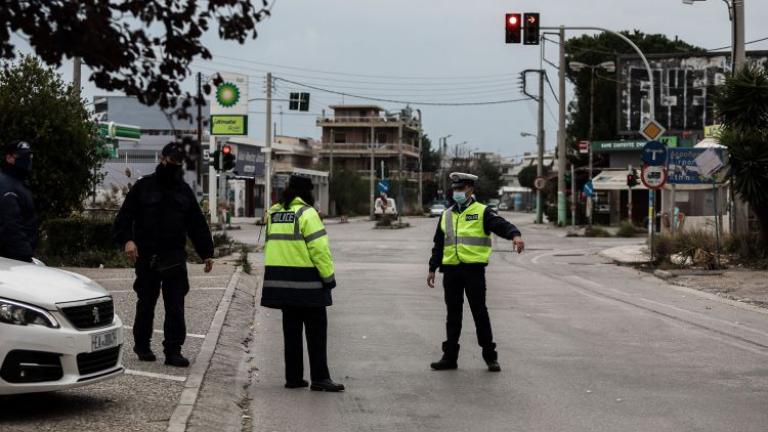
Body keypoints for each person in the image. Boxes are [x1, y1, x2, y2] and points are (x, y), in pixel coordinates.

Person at [114, 142, 214, 367]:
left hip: (174, 256)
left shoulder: (184, 191)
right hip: (147, 255)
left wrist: (206, 253)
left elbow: (197, 224)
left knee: (175, 305)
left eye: (179, 163)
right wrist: (128, 241)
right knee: (146, 303)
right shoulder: (144, 186)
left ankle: (173, 350)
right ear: (162, 158)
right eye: (172, 161)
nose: (175, 166)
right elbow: (124, 217)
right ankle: (142, 345)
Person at [427, 172, 525, 372]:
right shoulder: (446, 215)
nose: (457, 192)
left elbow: (500, 225)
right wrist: (432, 268)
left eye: (461, 189)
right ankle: (450, 357)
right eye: (455, 189)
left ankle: (490, 357)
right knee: (453, 315)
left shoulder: (482, 211)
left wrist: (514, 235)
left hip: (474, 271)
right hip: (451, 271)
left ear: (470, 189)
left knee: (480, 314)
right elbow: (439, 243)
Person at [261, 175, 344, 392]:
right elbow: (319, 250)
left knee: (292, 332)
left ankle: (293, 377)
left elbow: (272, 246)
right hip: (308, 284)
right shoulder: (307, 213)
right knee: (316, 333)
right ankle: (320, 378)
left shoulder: (275, 212)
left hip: (281, 284)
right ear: (306, 192)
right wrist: (329, 278)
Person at [0, 140, 37, 263]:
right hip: (12, 260)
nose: (27, 159)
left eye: (29, 156)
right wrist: (24, 255)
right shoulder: (7, 186)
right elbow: (11, 225)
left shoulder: (18, 184)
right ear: (9, 158)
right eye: (22, 156)